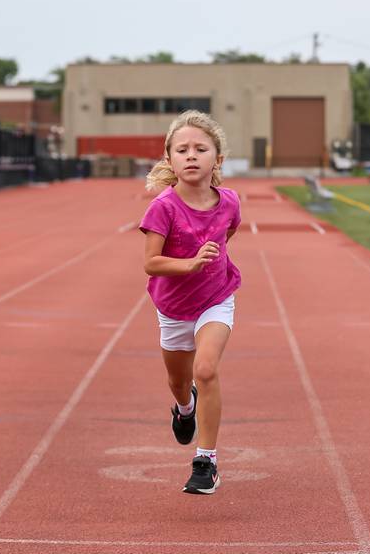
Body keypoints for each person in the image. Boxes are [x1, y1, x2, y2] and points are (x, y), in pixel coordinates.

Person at [140, 110, 241, 494]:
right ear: (169, 160)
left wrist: (209, 269)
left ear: (218, 158)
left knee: (207, 368)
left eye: (201, 148)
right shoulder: (163, 207)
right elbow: (151, 262)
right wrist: (191, 263)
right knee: (179, 382)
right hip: (173, 307)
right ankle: (185, 409)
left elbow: (229, 232)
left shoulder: (229, 202)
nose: (191, 155)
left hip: (216, 299)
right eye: (182, 150)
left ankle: (206, 461)